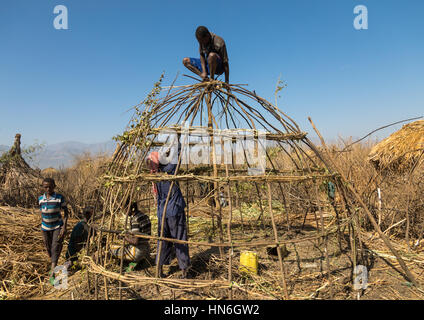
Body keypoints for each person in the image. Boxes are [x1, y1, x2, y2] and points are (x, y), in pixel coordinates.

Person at [147, 150, 190, 279]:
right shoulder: (169, 170)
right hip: (174, 211)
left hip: (162, 213)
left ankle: (159, 270)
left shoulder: (154, 174)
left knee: (163, 240)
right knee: (179, 239)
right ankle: (184, 271)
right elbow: (178, 156)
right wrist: (178, 144)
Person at [38, 178, 68, 283]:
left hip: (57, 227)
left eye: (50, 186)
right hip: (45, 228)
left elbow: (66, 212)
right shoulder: (40, 199)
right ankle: (54, 263)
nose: (48, 189)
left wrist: (64, 227)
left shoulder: (59, 198)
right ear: (43, 187)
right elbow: (41, 213)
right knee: (48, 248)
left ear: (54, 186)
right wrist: (42, 226)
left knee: (55, 246)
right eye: (45, 187)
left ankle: (52, 273)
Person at [110, 201, 152, 269]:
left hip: (138, 251)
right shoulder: (144, 216)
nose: (124, 212)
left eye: (125, 210)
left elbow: (135, 241)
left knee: (111, 250)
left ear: (130, 209)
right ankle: (138, 263)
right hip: (147, 249)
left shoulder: (135, 219)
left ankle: (133, 262)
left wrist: (124, 237)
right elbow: (140, 234)